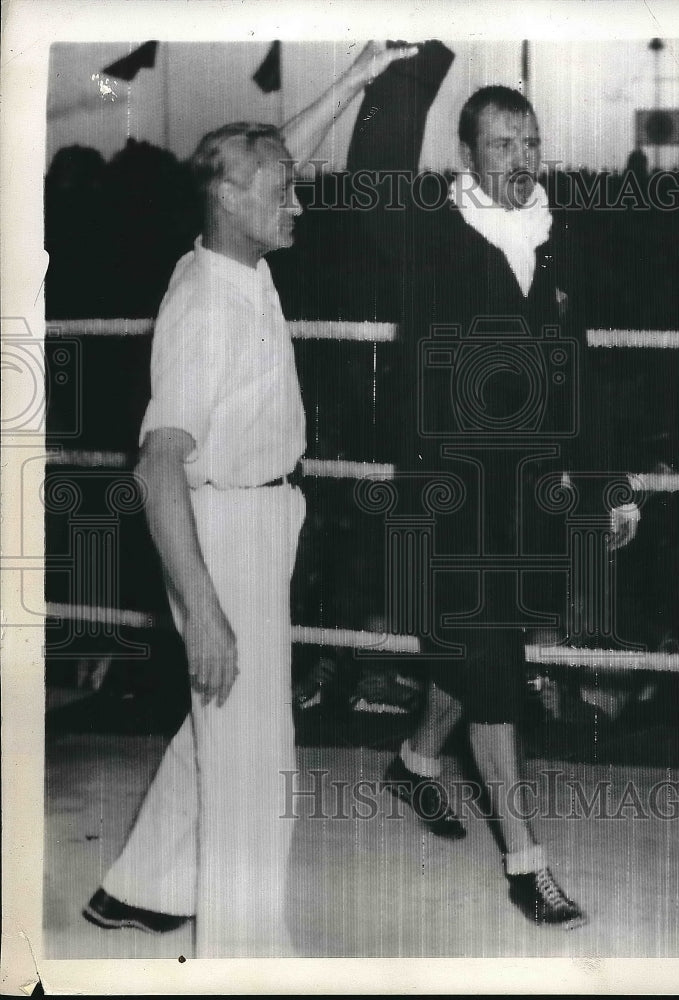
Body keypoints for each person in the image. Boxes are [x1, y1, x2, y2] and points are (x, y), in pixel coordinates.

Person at [82, 41, 418, 958]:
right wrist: (204, 611)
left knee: (219, 726)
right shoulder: (205, 314)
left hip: (257, 519)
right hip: (219, 529)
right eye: (283, 191)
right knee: (255, 762)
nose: (298, 198)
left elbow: (275, 153)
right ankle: (244, 957)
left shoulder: (236, 251)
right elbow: (156, 470)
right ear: (231, 198)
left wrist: (350, 82)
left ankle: (139, 887)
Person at [347, 66, 640, 929]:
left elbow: (575, 366)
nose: (523, 157)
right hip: (448, 491)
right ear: (467, 154)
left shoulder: (554, 235)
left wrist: (609, 480)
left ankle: (413, 761)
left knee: (485, 645)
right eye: (504, 144)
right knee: (496, 666)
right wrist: (410, 63)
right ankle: (526, 860)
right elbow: (372, 162)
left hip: (525, 490)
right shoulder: (429, 229)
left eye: (532, 141)